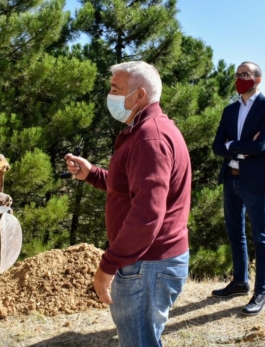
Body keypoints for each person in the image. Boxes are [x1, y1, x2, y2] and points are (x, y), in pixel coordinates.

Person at [65, 61, 191, 347]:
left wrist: (108, 265)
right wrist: (93, 174)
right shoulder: (148, 130)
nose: (109, 95)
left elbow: (146, 213)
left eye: (115, 89)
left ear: (139, 95)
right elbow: (136, 187)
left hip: (147, 265)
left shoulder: (150, 137)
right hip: (150, 262)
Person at [211, 61, 265, 315]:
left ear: (258, 79)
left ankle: (260, 293)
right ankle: (240, 282)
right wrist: (237, 145)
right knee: (234, 233)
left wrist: (232, 144)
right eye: (238, 74)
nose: (241, 78)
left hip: (255, 181)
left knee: (260, 237)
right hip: (231, 177)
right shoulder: (230, 110)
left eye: (246, 74)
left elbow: (260, 146)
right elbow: (217, 146)